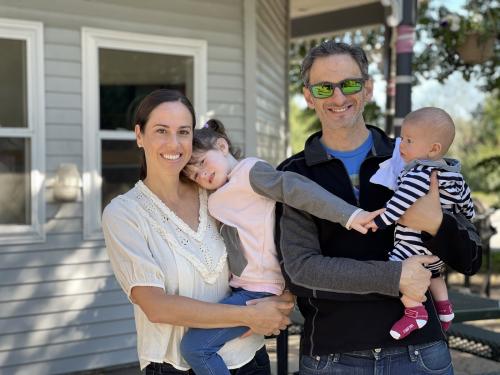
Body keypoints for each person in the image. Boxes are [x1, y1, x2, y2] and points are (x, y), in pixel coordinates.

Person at [275, 41, 482, 375]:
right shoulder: (294, 175)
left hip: (421, 355)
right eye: (324, 87)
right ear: (309, 96)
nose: (339, 98)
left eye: (350, 84)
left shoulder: (417, 160)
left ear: (368, 89)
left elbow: (471, 259)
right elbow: (301, 272)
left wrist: (436, 225)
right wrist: (395, 277)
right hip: (332, 358)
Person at [101, 89, 294, 375]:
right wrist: (249, 315)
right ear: (139, 135)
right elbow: (157, 306)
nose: (174, 143)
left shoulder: (215, 195)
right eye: (161, 131)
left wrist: (283, 298)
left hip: (250, 358)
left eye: (183, 132)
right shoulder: (124, 213)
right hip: (176, 366)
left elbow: (270, 243)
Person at [179, 119, 383, 375]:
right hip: (243, 291)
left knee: (195, 348)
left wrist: (350, 215)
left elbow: (297, 189)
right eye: (194, 175)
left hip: (259, 292)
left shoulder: (249, 173)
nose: (201, 174)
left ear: (222, 146)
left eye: (201, 163)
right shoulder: (223, 191)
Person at [369, 107, 475, 340]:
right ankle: (445, 311)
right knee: (435, 275)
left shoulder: (419, 174)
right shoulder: (454, 175)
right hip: (437, 249)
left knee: (394, 272)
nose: (401, 145)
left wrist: (380, 221)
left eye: (408, 140)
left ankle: (415, 311)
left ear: (433, 149)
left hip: (412, 246)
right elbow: (467, 206)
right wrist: (464, 215)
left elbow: (399, 203)